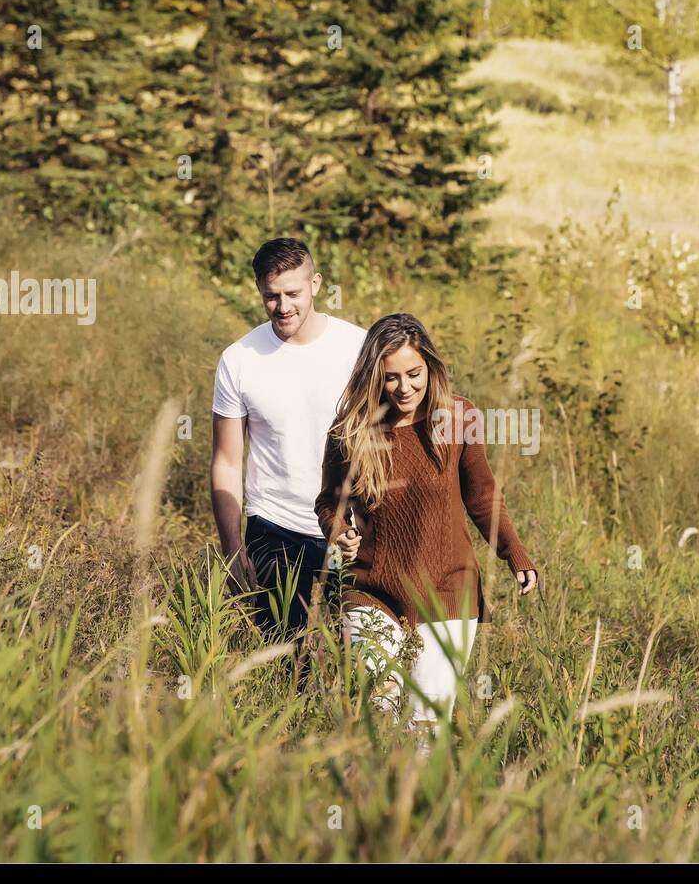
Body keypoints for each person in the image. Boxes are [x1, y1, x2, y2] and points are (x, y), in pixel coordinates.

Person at [315, 312, 538, 730]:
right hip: (372, 590)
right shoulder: (351, 429)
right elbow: (328, 501)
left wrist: (515, 554)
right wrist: (340, 531)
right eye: (391, 377)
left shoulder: (458, 418)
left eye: (414, 374)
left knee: (424, 727)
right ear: (374, 377)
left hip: (447, 591)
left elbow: (482, 496)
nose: (405, 388)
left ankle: (416, 796)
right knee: (376, 716)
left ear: (430, 366)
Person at [211, 238, 366, 640]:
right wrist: (232, 548)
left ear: (315, 284)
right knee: (290, 653)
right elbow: (227, 462)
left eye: (293, 293)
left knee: (361, 658)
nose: (283, 307)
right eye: (271, 296)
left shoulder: (359, 348)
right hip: (274, 527)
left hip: (350, 528)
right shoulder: (239, 359)